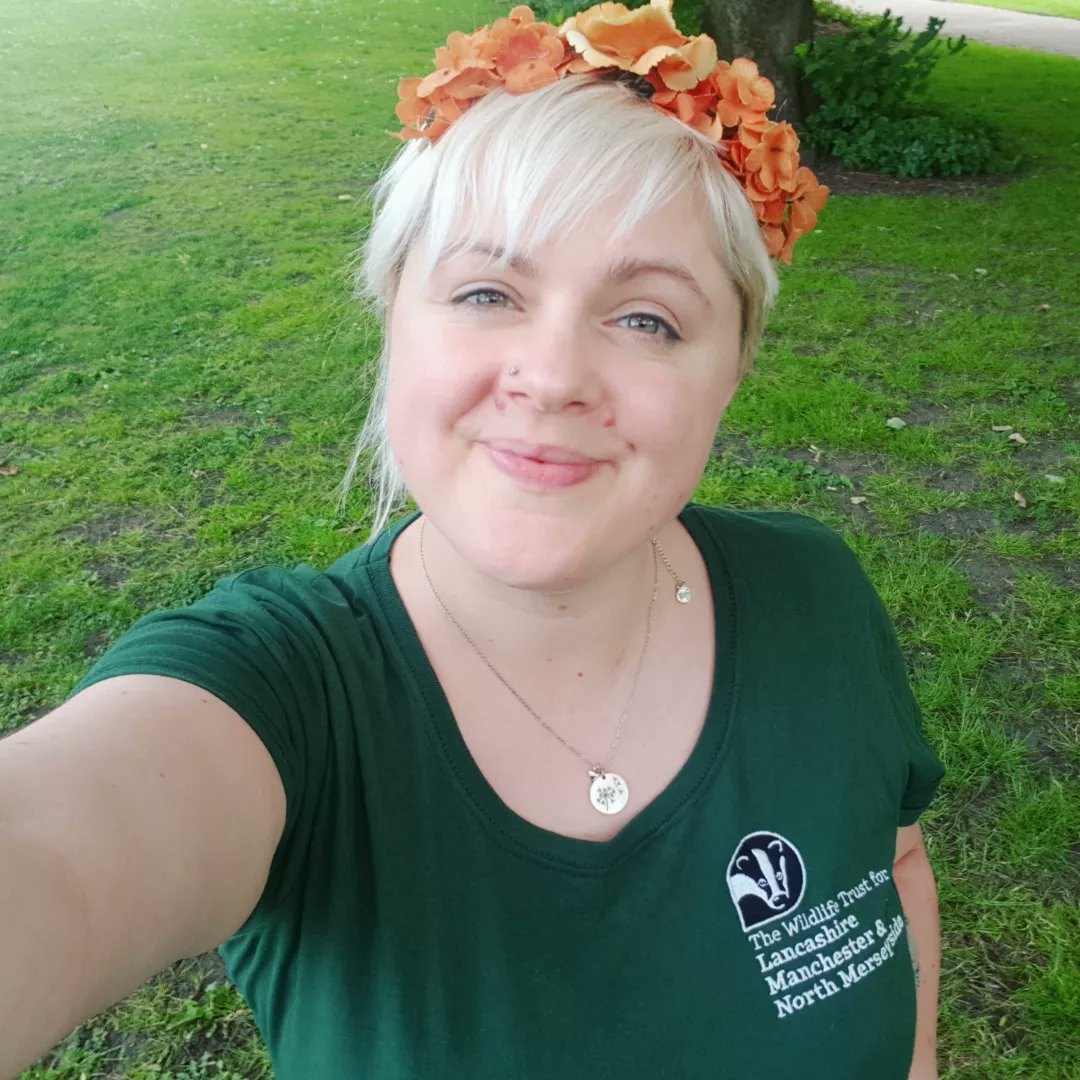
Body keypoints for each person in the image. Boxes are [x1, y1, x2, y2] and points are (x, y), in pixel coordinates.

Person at [0, 2, 943, 1078]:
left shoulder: (814, 595)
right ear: (392, 317)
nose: (552, 377)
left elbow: (896, 862)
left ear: (730, 371)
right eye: (489, 292)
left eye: (648, 319)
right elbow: (58, 851)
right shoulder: (285, 696)